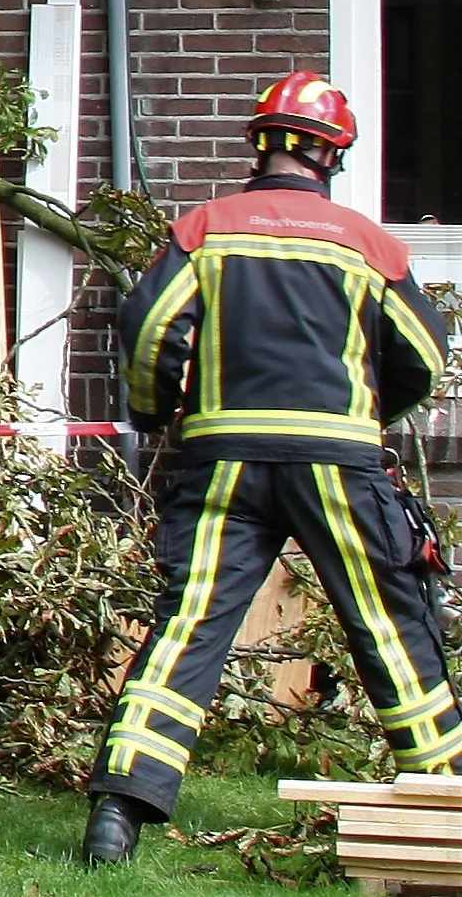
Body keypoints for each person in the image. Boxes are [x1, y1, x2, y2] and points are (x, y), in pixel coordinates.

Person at [83, 71, 457, 865]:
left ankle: (118, 812)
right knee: (390, 626)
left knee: (189, 627)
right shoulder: (372, 245)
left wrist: (155, 411)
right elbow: (426, 357)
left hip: (224, 464)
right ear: (333, 154)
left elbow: (147, 330)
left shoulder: (205, 228)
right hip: (340, 467)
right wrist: (366, 413)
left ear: (261, 144)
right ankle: (445, 788)